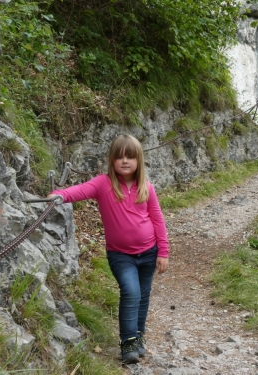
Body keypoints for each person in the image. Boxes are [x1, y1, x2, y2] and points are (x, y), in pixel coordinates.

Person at [48, 134, 169, 364]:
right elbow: (81, 190)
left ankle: (138, 337)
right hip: (121, 255)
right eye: (119, 156)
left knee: (143, 296)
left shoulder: (147, 188)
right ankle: (128, 343)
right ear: (112, 160)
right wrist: (60, 195)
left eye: (130, 157)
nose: (125, 161)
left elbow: (158, 220)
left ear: (138, 161)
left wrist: (163, 251)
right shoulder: (103, 184)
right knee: (131, 292)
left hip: (149, 252)